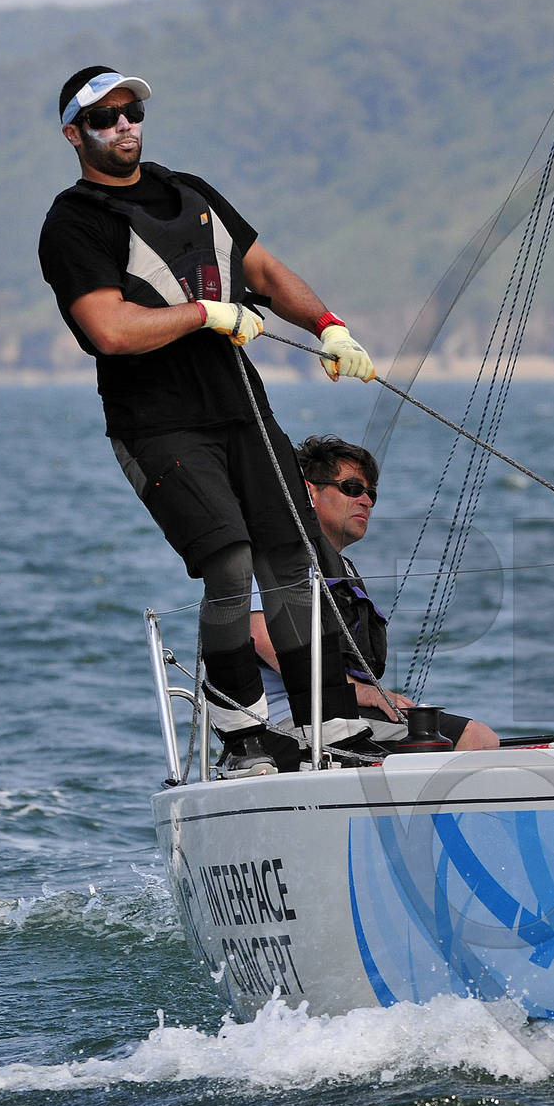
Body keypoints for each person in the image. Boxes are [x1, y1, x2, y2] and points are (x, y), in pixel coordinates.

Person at [37, 66, 380, 776]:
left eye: (132, 112)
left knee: (291, 559)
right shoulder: (73, 223)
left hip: (243, 410)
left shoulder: (191, 193)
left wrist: (330, 327)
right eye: (103, 118)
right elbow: (110, 330)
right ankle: (243, 739)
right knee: (227, 561)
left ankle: (332, 724)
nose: (123, 125)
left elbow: (267, 272)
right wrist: (206, 313)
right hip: (157, 425)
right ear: (74, 134)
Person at [252, 436, 500, 754]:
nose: (366, 501)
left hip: (337, 714)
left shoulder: (339, 569)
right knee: (475, 738)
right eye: (353, 488)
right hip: (290, 723)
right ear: (309, 492)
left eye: (371, 494)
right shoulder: (280, 559)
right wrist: (357, 691)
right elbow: (262, 635)